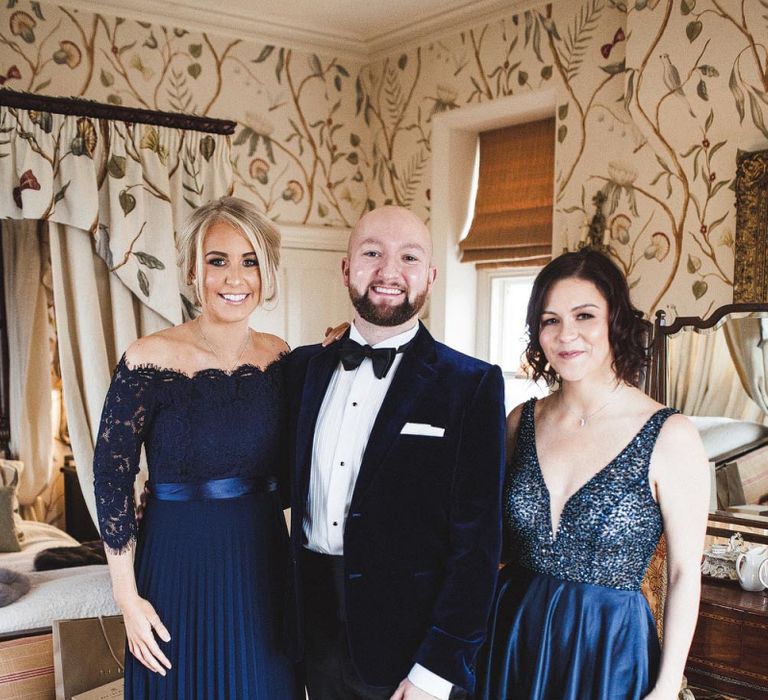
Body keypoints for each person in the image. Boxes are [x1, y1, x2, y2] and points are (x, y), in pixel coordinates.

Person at [283, 206, 506, 700]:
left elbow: (478, 548)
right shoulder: (302, 371)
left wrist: (435, 672)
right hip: (309, 638)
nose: (389, 271)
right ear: (346, 269)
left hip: (409, 653)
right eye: (371, 253)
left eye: (408, 256)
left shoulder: (471, 386)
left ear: (429, 276)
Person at [93, 196, 301, 699]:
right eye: (218, 260)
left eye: (249, 261)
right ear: (192, 270)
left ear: (267, 271)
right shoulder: (148, 360)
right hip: (176, 568)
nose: (235, 278)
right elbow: (111, 479)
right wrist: (127, 597)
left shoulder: (281, 357)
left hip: (264, 566)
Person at [479, 249, 710, 700]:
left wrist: (665, 687)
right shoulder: (518, 422)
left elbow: (685, 571)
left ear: (614, 321)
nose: (567, 335)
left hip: (610, 650)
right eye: (550, 320)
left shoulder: (671, 435)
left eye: (584, 315)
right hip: (513, 640)